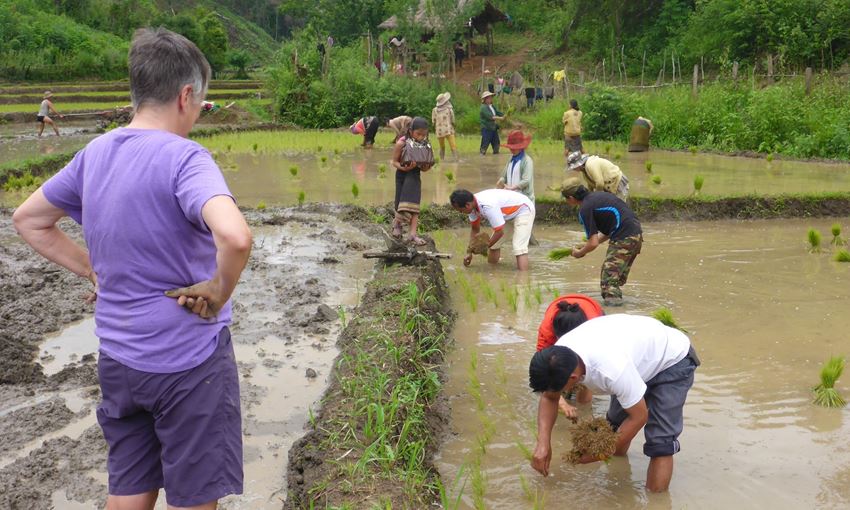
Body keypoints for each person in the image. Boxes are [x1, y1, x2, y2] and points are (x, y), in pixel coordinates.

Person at [12, 28, 252, 509]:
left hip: (119, 360)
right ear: (187, 96)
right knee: (194, 497)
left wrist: (92, 270)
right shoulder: (186, 158)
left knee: (128, 490)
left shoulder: (95, 152)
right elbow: (235, 236)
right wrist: (218, 291)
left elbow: (29, 219)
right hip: (188, 362)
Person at [528, 313, 700, 492]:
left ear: (574, 377)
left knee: (660, 441)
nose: (557, 393)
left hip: (672, 360)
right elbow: (549, 397)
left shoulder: (610, 370)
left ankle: (656, 501)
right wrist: (543, 443)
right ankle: (617, 480)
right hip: (636, 358)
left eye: (559, 389)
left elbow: (639, 417)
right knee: (612, 426)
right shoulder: (558, 358)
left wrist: (597, 455)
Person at [561, 180, 642, 306]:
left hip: (624, 237)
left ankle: (614, 313)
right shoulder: (598, 196)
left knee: (608, 282)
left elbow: (593, 243)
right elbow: (608, 231)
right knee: (614, 279)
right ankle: (619, 307)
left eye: (566, 199)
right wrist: (585, 246)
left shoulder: (585, 208)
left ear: (571, 198)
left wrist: (579, 253)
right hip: (636, 234)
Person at [537, 295, 604, 415]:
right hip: (560, 311)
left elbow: (592, 368)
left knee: (586, 368)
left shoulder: (595, 329)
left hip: (593, 311)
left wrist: (584, 409)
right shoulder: (547, 333)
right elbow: (543, 372)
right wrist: (562, 403)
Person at [450, 188, 535, 271]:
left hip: (523, 209)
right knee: (495, 245)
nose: (461, 213)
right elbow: (475, 229)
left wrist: (485, 246)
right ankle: (492, 271)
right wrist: (469, 252)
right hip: (508, 214)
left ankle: (523, 280)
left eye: (461, 211)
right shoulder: (472, 206)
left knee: (519, 247)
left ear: (467, 205)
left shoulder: (488, 206)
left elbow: (499, 232)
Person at [391, 117, 433, 245]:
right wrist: (404, 168)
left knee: (414, 206)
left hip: (414, 176)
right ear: (410, 131)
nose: (421, 137)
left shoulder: (425, 145)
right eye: (418, 134)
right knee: (400, 203)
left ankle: (412, 235)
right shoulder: (401, 143)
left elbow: (425, 166)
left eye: (423, 135)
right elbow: (394, 162)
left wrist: (426, 167)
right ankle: (397, 225)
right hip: (402, 176)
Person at [496, 130, 534, 202]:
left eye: (514, 147)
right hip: (512, 197)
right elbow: (504, 176)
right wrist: (501, 181)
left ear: (521, 147)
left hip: (525, 200)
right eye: (511, 147)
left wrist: (512, 187)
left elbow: (526, 181)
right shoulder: (511, 159)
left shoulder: (527, 161)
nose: (511, 149)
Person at [432, 92, 457, 161]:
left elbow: (433, 121)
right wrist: (454, 127)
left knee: (442, 146)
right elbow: (453, 120)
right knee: (453, 145)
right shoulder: (449, 110)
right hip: (449, 130)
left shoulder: (434, 110)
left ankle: (442, 160)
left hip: (439, 132)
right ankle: (456, 160)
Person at [479, 91, 504, 155]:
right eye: (489, 98)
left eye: (491, 98)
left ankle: (496, 155)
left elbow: (497, 112)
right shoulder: (483, 108)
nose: (490, 99)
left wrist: (504, 115)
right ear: (485, 99)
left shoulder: (492, 106)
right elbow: (490, 117)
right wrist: (500, 118)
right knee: (485, 144)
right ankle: (482, 155)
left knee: (496, 143)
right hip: (486, 128)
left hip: (493, 128)